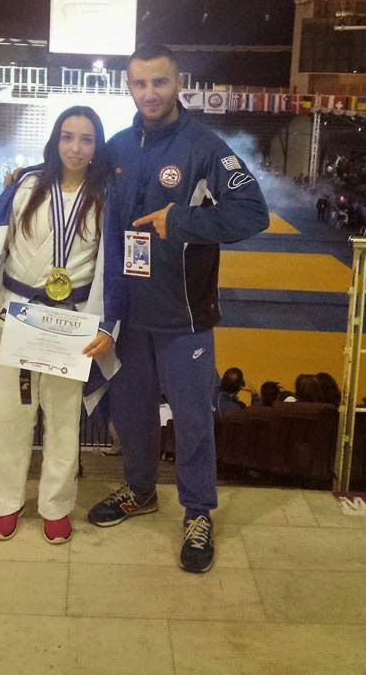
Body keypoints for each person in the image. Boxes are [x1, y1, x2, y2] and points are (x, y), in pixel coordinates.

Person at [87, 43, 269, 574]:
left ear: (179, 83)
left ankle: (197, 512)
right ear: (128, 86)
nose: (149, 93)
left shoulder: (205, 147)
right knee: (131, 416)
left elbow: (253, 213)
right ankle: (141, 491)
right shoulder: (117, 148)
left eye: (159, 82)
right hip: (126, 314)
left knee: (191, 421)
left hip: (184, 316)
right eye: (140, 83)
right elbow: (74, 182)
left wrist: (183, 222)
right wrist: (27, 178)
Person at [0, 106, 115, 545]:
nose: (75, 148)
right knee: (9, 414)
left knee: (63, 419)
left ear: (97, 146)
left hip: (72, 320)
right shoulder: (26, 185)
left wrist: (107, 322)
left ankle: (56, 507)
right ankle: (5, 504)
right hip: (19, 313)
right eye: (68, 137)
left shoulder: (107, 194)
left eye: (86, 139)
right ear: (55, 140)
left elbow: (112, 265)